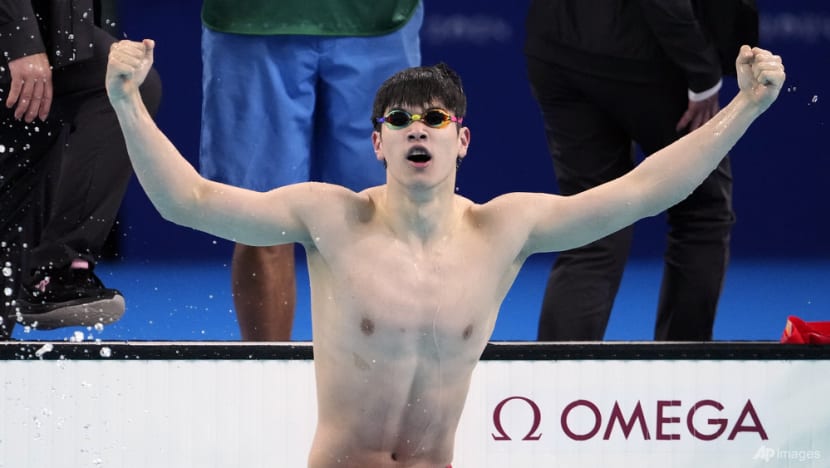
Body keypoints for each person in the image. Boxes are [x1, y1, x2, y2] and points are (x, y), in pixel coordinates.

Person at [106, 38, 784, 467]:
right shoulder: (331, 218)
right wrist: (126, 102)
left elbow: (642, 191)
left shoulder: (503, 230)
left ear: (462, 140)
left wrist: (746, 109)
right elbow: (187, 200)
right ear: (378, 145)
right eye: (398, 121)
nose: (416, 130)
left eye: (435, 119)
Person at [199, 0, 423, 340]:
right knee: (261, 219)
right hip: (253, 18)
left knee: (381, 219)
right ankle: (268, 382)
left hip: (381, 17)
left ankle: (376, 385)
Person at [524, 0, 737, 341]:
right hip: (649, 54)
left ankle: (558, 379)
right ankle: (681, 372)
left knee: (590, 224)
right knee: (702, 209)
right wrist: (702, 73)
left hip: (555, 46)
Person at [0, 0, 162, 339]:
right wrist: (18, 37)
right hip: (23, 37)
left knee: (17, 214)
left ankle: (54, 273)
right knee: (120, 87)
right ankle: (55, 271)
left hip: (54, 34)